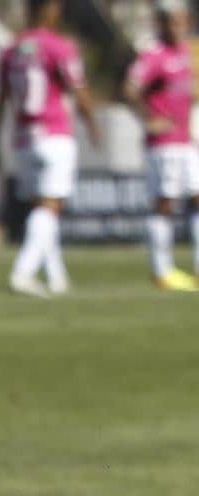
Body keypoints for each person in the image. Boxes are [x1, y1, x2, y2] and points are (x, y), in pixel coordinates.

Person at [0, 0, 97, 299]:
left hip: (23, 139)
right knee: (50, 208)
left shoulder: (12, 50)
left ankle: (57, 277)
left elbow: (0, 101)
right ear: (49, 10)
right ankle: (23, 272)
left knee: (41, 209)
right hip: (54, 134)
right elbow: (78, 88)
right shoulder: (59, 46)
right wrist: (93, 125)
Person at [128, 0, 199, 291]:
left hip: (186, 140)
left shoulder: (186, 52)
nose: (180, 27)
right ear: (162, 23)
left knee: (197, 199)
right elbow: (130, 89)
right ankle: (162, 270)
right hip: (164, 143)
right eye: (174, 21)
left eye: (183, 21)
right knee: (165, 203)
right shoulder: (153, 55)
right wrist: (149, 119)